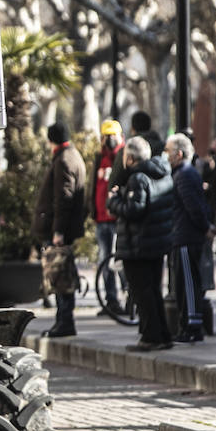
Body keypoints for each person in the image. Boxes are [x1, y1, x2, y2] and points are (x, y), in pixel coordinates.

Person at [108, 137, 176, 351]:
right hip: (156, 244)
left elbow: (133, 210)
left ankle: (151, 336)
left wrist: (114, 201)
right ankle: (162, 334)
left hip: (138, 246)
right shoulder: (162, 174)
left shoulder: (138, 178)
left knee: (142, 293)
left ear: (130, 158)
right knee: (153, 290)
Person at [34, 122, 87, 338]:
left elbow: (63, 199)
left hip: (59, 230)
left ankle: (65, 321)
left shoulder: (64, 160)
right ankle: (63, 320)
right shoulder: (71, 155)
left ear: (51, 140)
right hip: (64, 228)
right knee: (62, 274)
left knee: (60, 276)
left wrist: (58, 231)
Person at [166, 133, 214, 342]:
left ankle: (193, 326)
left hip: (186, 236)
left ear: (178, 153)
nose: (166, 155)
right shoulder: (183, 173)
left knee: (187, 283)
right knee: (185, 283)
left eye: (168, 151)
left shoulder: (184, 174)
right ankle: (188, 325)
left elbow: (193, 207)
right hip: (183, 235)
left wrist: (205, 228)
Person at [88, 119, 125, 316]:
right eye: (106, 136)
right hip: (101, 219)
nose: (109, 140)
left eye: (113, 135)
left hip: (118, 219)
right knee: (105, 262)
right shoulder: (99, 157)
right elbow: (93, 185)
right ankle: (111, 300)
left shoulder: (124, 156)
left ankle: (130, 299)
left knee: (121, 262)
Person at [108, 110, 164, 190]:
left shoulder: (127, 150)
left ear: (132, 129)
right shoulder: (162, 148)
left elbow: (114, 183)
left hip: (132, 197)